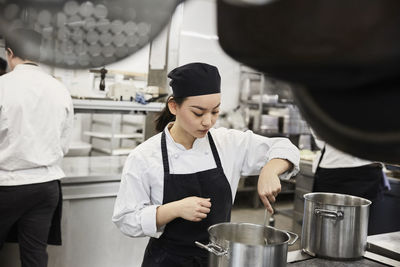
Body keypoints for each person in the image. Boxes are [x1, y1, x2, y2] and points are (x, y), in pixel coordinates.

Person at [112, 62, 300, 267]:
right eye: (198, 113)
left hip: (216, 258)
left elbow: (284, 147)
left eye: (215, 111)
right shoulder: (145, 156)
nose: (208, 122)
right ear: (174, 106)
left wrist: (270, 170)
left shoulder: (227, 143)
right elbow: (126, 219)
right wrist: (173, 209)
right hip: (167, 261)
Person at [0, 28, 74, 267]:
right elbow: (64, 144)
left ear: (9, 53)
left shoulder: (3, 86)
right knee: (35, 256)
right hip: (46, 187)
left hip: (7, 186)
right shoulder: (59, 88)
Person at [312, 135, 389, 235]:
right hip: (366, 168)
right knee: (361, 229)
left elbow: (318, 131)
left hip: (336, 166)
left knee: (330, 228)